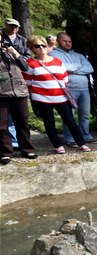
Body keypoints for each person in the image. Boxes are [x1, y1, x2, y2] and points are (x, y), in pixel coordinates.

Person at [23, 36, 92, 154]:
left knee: (70, 120)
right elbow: (28, 81)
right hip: (42, 98)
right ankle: (57, 145)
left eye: (43, 45)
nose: (41, 48)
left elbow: (64, 78)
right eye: (37, 46)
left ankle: (82, 143)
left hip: (60, 96)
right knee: (49, 123)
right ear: (32, 48)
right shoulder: (30, 63)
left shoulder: (57, 61)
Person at [50, 32, 97, 147]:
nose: (67, 43)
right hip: (68, 89)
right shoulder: (54, 54)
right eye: (64, 41)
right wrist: (78, 67)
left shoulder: (79, 55)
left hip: (84, 89)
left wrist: (72, 69)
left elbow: (90, 68)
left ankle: (85, 135)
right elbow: (62, 68)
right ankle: (69, 138)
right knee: (69, 116)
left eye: (69, 41)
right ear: (58, 41)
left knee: (85, 114)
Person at [1, 34, 37, 164]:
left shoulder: (11, 51)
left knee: (22, 122)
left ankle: (27, 149)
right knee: (2, 125)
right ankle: (6, 152)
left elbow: (25, 67)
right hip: (1, 94)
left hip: (19, 91)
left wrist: (14, 53)